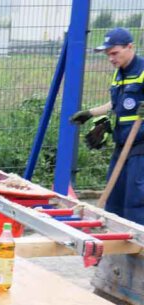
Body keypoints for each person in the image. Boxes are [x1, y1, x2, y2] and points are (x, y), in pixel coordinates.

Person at [70, 27, 144, 224]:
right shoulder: (119, 74)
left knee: (136, 201)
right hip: (122, 145)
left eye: (114, 53)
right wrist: (91, 113)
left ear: (130, 47)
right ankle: (116, 246)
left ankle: (138, 249)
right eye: (107, 54)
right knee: (115, 199)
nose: (111, 58)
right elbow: (117, 104)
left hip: (140, 148)